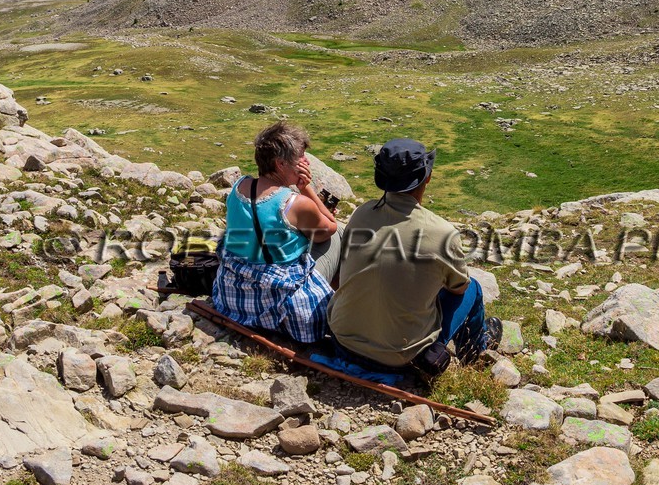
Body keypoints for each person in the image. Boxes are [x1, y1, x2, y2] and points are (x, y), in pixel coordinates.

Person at [328, 137, 500, 377]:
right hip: (398, 357)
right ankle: (476, 351)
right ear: (426, 177)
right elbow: (459, 289)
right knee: (473, 289)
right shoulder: (442, 233)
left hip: (342, 342)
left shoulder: (362, 213)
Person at [211, 121, 339, 344]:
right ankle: (335, 306)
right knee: (339, 236)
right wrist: (306, 188)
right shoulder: (295, 203)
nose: (307, 162)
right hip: (281, 306)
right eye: (301, 157)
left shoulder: (239, 186)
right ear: (280, 164)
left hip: (233, 298)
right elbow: (330, 227)